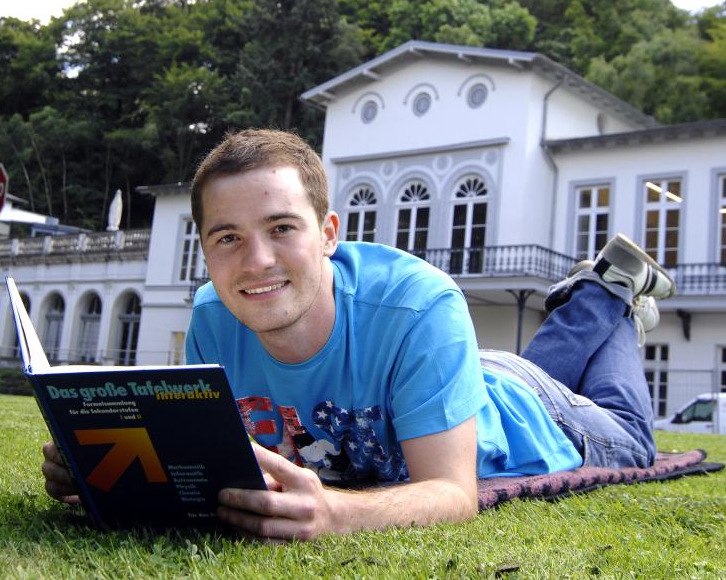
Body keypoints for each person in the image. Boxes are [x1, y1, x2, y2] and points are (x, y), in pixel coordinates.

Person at [42, 128, 675, 541]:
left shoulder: (422, 304)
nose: (256, 260)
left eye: (282, 228)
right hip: (467, 377)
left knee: (631, 429)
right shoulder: (213, 318)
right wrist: (107, 468)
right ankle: (593, 295)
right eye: (227, 237)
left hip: (540, 418)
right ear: (205, 252)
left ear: (329, 233)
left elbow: (455, 495)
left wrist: (337, 512)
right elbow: (225, 469)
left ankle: (609, 293)